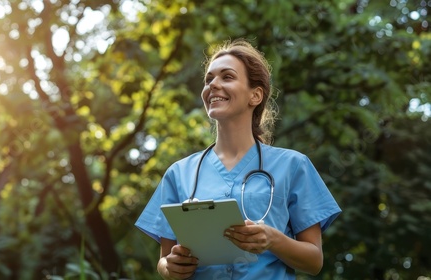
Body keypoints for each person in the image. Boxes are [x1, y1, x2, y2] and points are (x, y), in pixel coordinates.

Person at [135, 39, 341, 279]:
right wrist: (169, 267)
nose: (213, 85)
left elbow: (314, 261)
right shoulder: (179, 173)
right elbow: (165, 260)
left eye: (227, 77)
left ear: (255, 95)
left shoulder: (294, 166)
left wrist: (273, 239)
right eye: (208, 79)